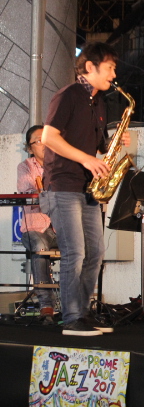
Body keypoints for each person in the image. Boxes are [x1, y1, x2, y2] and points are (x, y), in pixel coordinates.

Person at [41, 42, 129, 336]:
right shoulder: (68, 95)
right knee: (75, 253)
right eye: (110, 67)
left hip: (88, 188)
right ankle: (71, 318)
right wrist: (86, 159)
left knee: (96, 253)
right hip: (63, 185)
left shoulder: (99, 102)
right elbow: (49, 137)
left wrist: (115, 141)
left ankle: (83, 312)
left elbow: (99, 147)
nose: (114, 74)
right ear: (90, 66)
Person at [17, 125, 58, 325]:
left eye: (47, 139)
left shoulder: (61, 165)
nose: (44, 144)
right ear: (30, 147)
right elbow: (29, 190)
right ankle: (46, 305)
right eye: (39, 140)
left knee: (83, 244)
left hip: (59, 227)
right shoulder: (25, 167)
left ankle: (77, 303)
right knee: (40, 247)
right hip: (35, 228)